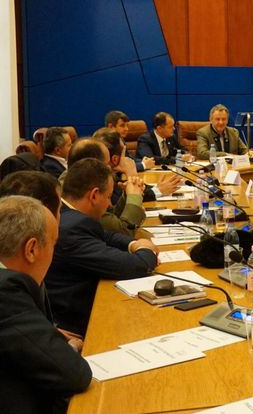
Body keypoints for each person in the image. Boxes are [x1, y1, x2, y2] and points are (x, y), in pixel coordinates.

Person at [0, 195, 93, 414]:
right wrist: (67, 348)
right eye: (53, 244)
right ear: (31, 249)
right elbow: (74, 374)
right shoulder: (6, 293)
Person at [46, 158, 159, 337]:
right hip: (77, 324)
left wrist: (133, 244)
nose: (109, 205)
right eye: (107, 197)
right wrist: (146, 250)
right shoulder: (73, 228)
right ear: (94, 195)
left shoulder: (66, 213)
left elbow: (106, 235)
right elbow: (136, 266)